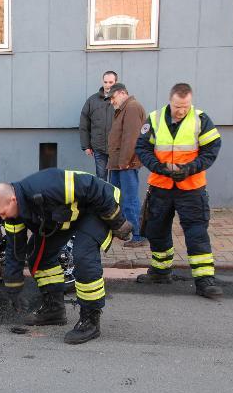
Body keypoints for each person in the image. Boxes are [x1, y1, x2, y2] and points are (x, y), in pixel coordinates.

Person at [0, 169, 132, 345]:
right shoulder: (13, 215)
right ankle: (54, 309)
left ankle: (90, 320)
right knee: (38, 257)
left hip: (99, 205)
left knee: (83, 257)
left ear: (12, 200)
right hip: (68, 217)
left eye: (2, 213)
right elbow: (15, 251)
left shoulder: (47, 185)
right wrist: (13, 290)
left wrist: (118, 222)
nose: (3, 218)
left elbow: (94, 188)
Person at [134, 83, 223, 298]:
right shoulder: (155, 119)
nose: (181, 111)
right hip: (160, 185)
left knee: (196, 233)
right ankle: (160, 272)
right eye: (177, 107)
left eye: (185, 106)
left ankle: (204, 281)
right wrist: (159, 167)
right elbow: (142, 147)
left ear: (190, 102)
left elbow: (211, 150)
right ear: (170, 101)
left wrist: (189, 169)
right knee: (156, 231)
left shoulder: (200, 119)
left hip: (191, 187)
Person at [106, 83, 147, 247]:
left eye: (113, 97)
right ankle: (124, 230)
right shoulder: (123, 109)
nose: (111, 102)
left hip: (126, 164)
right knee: (117, 198)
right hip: (118, 164)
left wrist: (124, 162)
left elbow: (131, 138)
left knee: (130, 200)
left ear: (122, 93)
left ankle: (137, 235)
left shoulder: (132, 107)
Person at [80, 71, 117, 181]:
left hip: (116, 148)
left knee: (116, 179)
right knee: (101, 179)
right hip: (99, 147)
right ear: (102, 82)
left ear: (116, 82)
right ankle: (102, 198)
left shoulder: (121, 100)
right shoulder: (92, 100)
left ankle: (114, 199)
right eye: (105, 82)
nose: (108, 85)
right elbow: (84, 123)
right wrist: (86, 145)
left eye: (111, 82)